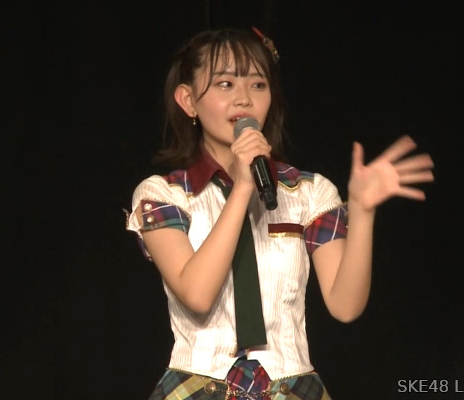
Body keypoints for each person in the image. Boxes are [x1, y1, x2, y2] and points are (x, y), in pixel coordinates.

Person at [126, 26, 434, 400]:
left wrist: (363, 210)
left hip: (293, 388)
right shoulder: (164, 193)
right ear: (188, 101)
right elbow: (197, 294)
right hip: (196, 388)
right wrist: (242, 187)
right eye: (225, 84)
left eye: (258, 84)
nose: (244, 99)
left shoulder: (308, 192)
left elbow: (345, 306)